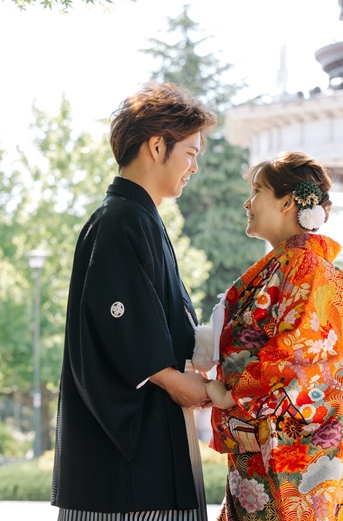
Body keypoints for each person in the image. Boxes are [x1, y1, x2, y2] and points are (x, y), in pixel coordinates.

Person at [51, 82, 217, 521]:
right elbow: (118, 319)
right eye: (191, 152)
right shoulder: (120, 220)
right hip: (128, 457)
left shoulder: (138, 217)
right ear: (157, 145)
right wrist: (169, 377)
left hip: (150, 430)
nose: (195, 166)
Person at [204, 151, 343, 521]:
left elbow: (298, 357)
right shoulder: (310, 273)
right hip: (300, 449)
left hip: (290, 460)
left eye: (256, 190)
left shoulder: (301, 267)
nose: (247, 202)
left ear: (287, 202)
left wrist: (227, 394)